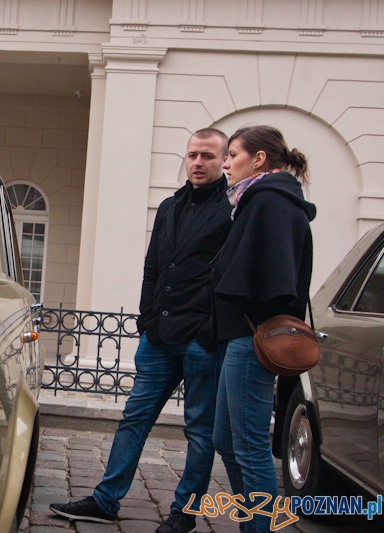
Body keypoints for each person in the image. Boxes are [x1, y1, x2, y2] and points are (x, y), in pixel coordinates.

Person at [50, 128, 232, 533]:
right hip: (159, 337)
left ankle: (184, 512)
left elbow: (229, 277)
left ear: (224, 161)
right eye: (192, 155)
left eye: (207, 156)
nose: (198, 162)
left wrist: (209, 329)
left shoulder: (231, 210)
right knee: (134, 418)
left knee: (199, 431)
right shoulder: (169, 206)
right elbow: (154, 267)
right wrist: (145, 320)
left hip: (202, 340)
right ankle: (105, 500)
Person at [211, 125, 316, 533]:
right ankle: (253, 522)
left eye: (232, 155)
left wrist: (235, 295)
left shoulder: (270, 200)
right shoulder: (258, 199)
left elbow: (276, 279)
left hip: (254, 337)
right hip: (241, 334)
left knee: (250, 445)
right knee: (225, 439)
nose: (225, 164)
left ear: (258, 159)